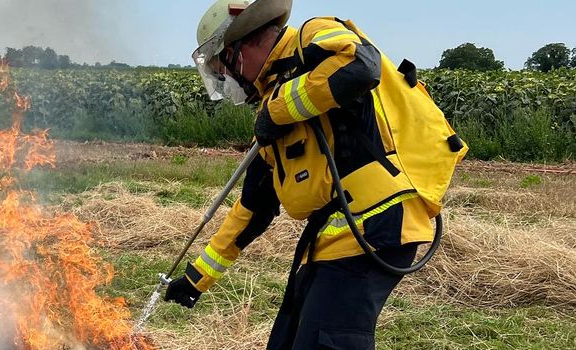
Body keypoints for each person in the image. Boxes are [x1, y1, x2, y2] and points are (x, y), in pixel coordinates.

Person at [163, 0, 465, 348]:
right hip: (331, 238)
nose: (226, 80)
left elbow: (362, 65)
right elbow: (253, 209)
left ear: (239, 50)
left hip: (375, 225)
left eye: (223, 70)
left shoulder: (312, 37)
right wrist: (196, 278)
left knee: (325, 342)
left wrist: (278, 111)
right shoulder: (270, 107)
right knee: (286, 342)